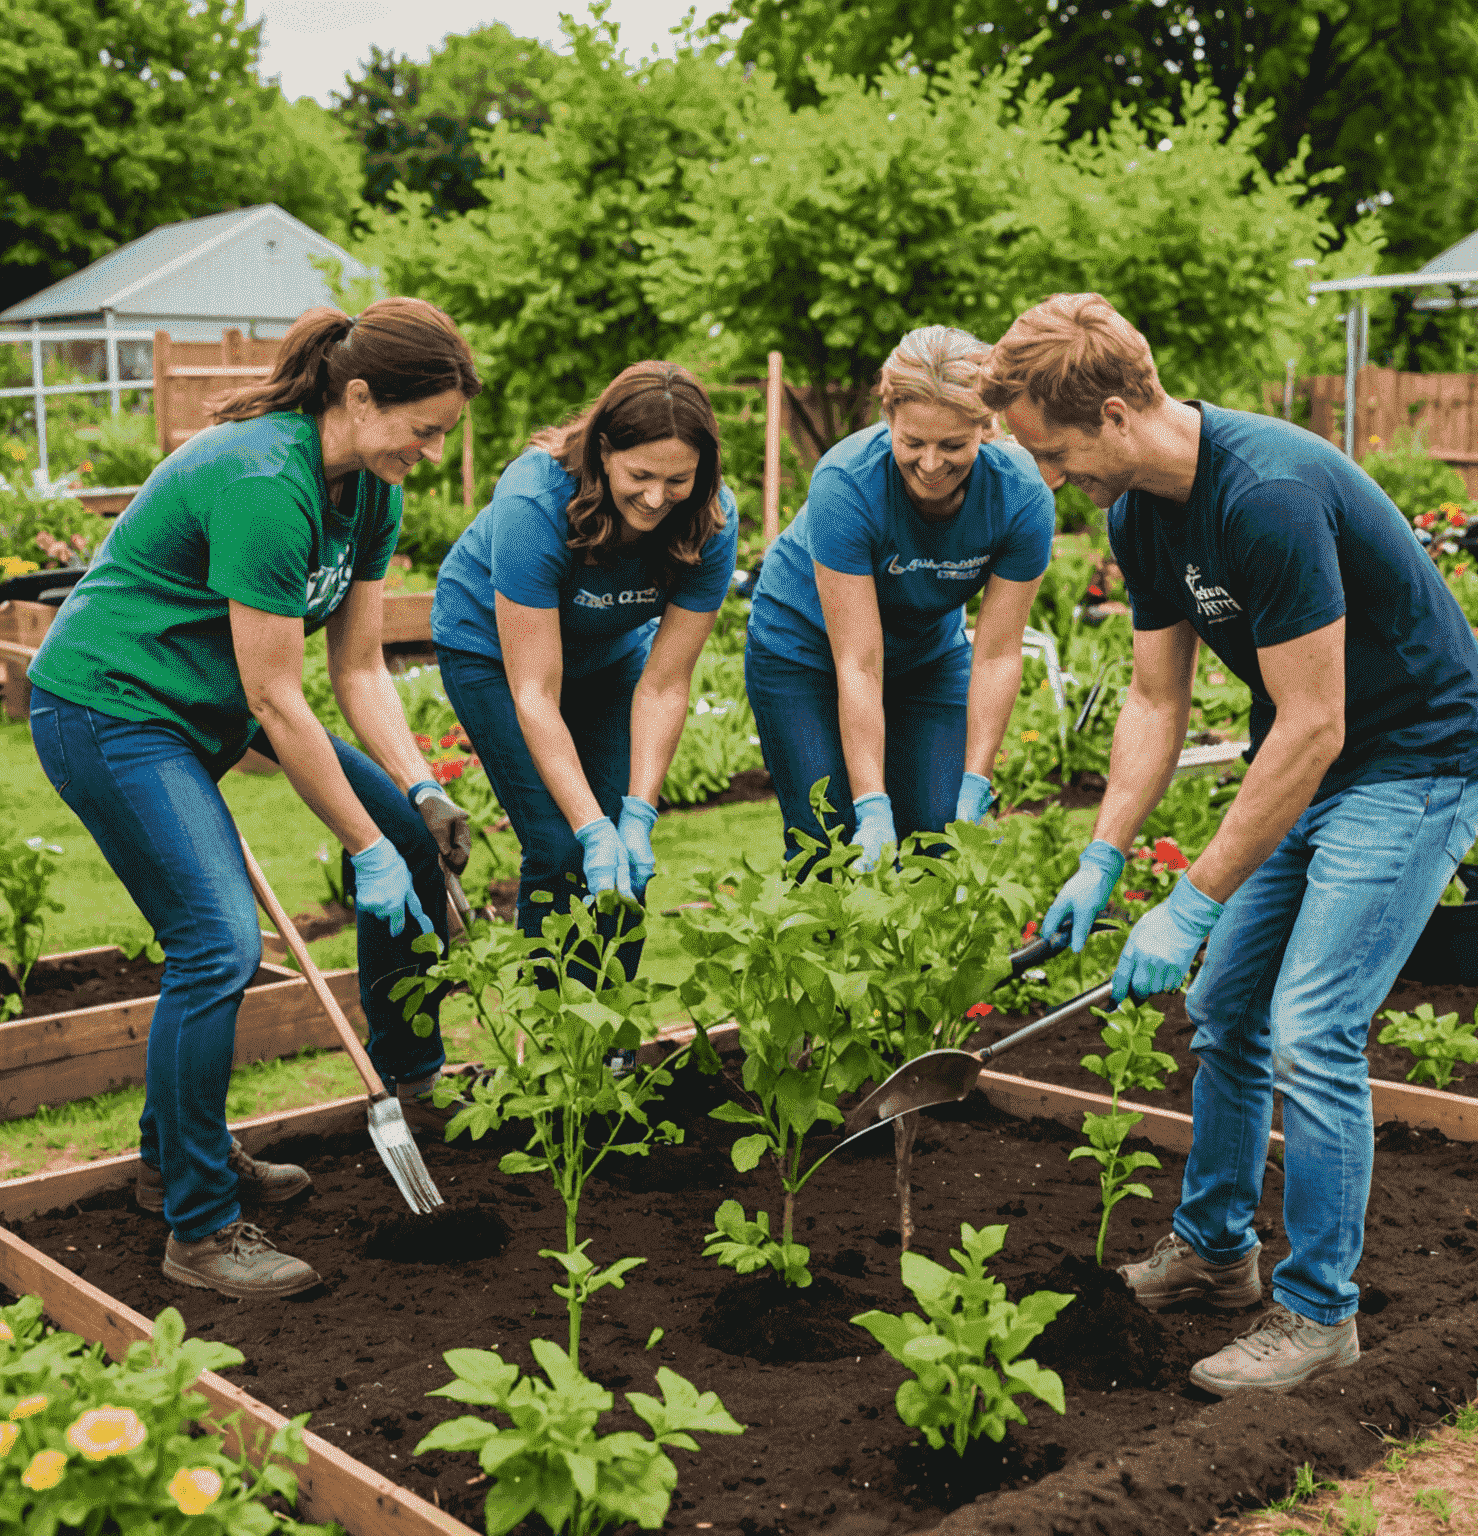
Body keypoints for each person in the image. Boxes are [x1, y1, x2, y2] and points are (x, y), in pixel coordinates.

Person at [984, 292, 1478, 1394]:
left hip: (1418, 758)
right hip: (1315, 760)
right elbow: (1153, 697)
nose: (1050, 476)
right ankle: (1219, 1251)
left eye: (1057, 450)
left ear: (1118, 413)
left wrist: (1196, 897)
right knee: (1226, 1005)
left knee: (1313, 1021)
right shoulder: (1142, 514)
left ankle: (1320, 1313)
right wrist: (1106, 856)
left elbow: (1316, 723)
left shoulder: (1264, 494)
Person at [27, 299, 484, 1300]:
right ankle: (197, 1224)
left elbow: (358, 671)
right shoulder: (265, 483)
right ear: (360, 397)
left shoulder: (369, 490)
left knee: (408, 836)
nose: (434, 450)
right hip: (111, 709)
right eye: (427, 427)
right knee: (220, 944)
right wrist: (358, 846)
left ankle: (394, 1081)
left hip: (206, 712)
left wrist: (415, 794)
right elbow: (280, 699)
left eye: (445, 432)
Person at [431, 362, 738, 976]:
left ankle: (612, 1040)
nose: (656, 498)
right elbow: (535, 690)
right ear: (603, 450)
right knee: (561, 844)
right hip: (491, 654)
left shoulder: (710, 521)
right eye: (640, 475)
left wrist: (637, 816)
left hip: (608, 656)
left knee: (627, 852)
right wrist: (591, 826)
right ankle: (554, 1047)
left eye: (677, 479)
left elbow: (666, 681)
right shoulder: (534, 503)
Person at [745, 325, 1056, 867]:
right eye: (913, 442)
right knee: (830, 842)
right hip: (802, 651)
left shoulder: (1019, 496)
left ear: (987, 427)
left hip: (926, 657)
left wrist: (976, 781)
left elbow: (999, 652)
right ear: (889, 418)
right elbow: (859, 662)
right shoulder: (847, 482)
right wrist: (871, 805)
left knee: (939, 835)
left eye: (953, 445)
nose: (931, 464)